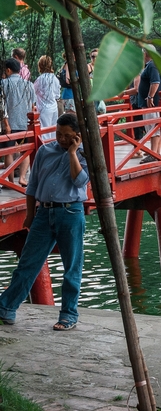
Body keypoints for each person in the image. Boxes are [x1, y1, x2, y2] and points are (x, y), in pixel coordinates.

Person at [0, 113, 89, 331]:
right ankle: (6, 307)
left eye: (67, 136)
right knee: (28, 264)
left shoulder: (85, 154)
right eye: (58, 134)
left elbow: (81, 181)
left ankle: (69, 314)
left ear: (77, 136)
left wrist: (72, 152)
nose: (61, 139)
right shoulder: (44, 151)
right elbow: (32, 186)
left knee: (72, 267)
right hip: (43, 213)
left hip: (70, 212)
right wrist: (30, 214)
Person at [1, 58, 35, 186]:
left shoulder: (3, 84)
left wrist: (6, 124)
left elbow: (2, 106)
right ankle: (22, 178)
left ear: (8, 70)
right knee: (24, 151)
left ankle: (10, 182)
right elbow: (32, 106)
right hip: (25, 123)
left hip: (10, 124)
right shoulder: (29, 84)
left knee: (9, 152)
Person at [138, 49, 161, 163]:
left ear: (145, 53)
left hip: (151, 104)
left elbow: (155, 82)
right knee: (154, 128)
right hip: (153, 103)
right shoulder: (155, 64)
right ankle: (156, 153)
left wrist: (150, 97)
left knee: (153, 128)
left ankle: (154, 154)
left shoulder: (152, 65)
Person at [33, 56, 60, 140]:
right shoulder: (55, 78)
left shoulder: (40, 79)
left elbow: (33, 92)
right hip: (54, 107)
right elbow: (57, 95)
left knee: (44, 131)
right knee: (53, 130)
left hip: (43, 108)